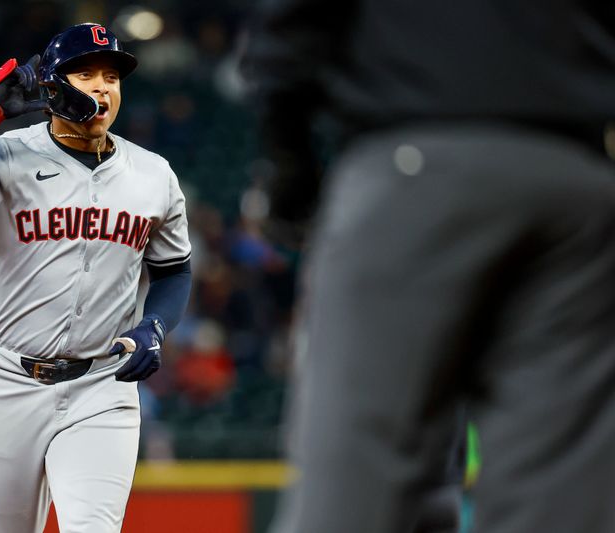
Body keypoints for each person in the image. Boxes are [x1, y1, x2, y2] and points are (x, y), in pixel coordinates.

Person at [240, 2, 615, 532]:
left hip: (414, 158)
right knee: (557, 491)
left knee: (361, 471)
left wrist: (288, 161)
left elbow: (290, 27)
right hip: (578, 179)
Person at [0, 23, 192, 533]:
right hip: (7, 380)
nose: (103, 86)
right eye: (86, 74)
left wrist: (157, 325)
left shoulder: (153, 175)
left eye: (112, 76)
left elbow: (174, 271)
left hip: (103, 384)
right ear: (53, 86)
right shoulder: (6, 154)